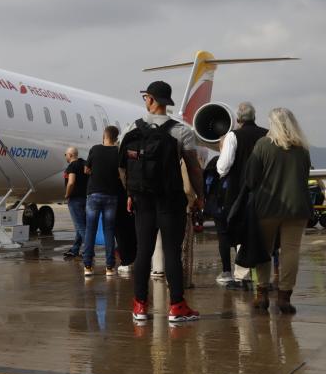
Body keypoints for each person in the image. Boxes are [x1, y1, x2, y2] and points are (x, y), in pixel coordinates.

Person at [120, 81, 204, 322]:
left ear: (149, 99)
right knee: (171, 251)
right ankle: (177, 306)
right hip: (170, 200)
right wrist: (200, 196)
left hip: (142, 200)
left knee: (143, 251)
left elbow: (123, 166)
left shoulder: (130, 130)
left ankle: (139, 306)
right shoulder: (181, 132)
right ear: (166, 103)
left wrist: (129, 193)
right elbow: (194, 168)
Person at [245, 108, 311, 314]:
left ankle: (262, 294)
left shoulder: (263, 145)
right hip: (297, 207)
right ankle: (285, 297)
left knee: (263, 251)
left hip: (267, 207)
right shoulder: (303, 149)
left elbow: (250, 178)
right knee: (291, 251)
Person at [216, 102, 268, 287]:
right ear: (254, 117)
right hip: (265, 193)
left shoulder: (233, 136)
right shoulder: (267, 134)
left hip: (239, 192)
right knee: (263, 234)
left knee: (241, 229)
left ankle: (242, 276)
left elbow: (223, 167)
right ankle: (262, 276)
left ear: (238, 120)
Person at [83, 126, 123, 277]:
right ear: (116, 138)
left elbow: (86, 170)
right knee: (109, 231)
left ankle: (88, 266)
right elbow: (121, 173)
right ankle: (109, 267)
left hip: (94, 194)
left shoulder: (95, 149)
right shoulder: (118, 151)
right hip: (111, 195)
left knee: (90, 230)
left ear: (104, 136)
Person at [63, 147, 88, 259]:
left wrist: (67, 194)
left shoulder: (72, 166)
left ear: (70, 155)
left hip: (75, 200)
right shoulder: (85, 163)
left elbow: (71, 182)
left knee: (80, 226)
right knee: (80, 226)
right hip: (86, 198)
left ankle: (89, 251)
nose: (65, 157)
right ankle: (75, 249)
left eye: (66, 155)